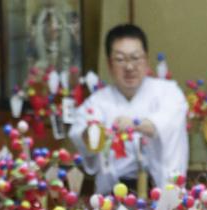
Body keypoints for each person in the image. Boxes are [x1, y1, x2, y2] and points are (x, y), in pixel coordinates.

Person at [69, 24, 188, 194]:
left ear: (146, 60)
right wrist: (93, 134)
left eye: (135, 58)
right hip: (112, 196)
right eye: (120, 59)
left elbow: (163, 124)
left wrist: (133, 124)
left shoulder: (169, 92)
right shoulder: (97, 102)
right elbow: (80, 134)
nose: (129, 67)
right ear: (109, 64)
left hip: (161, 193)